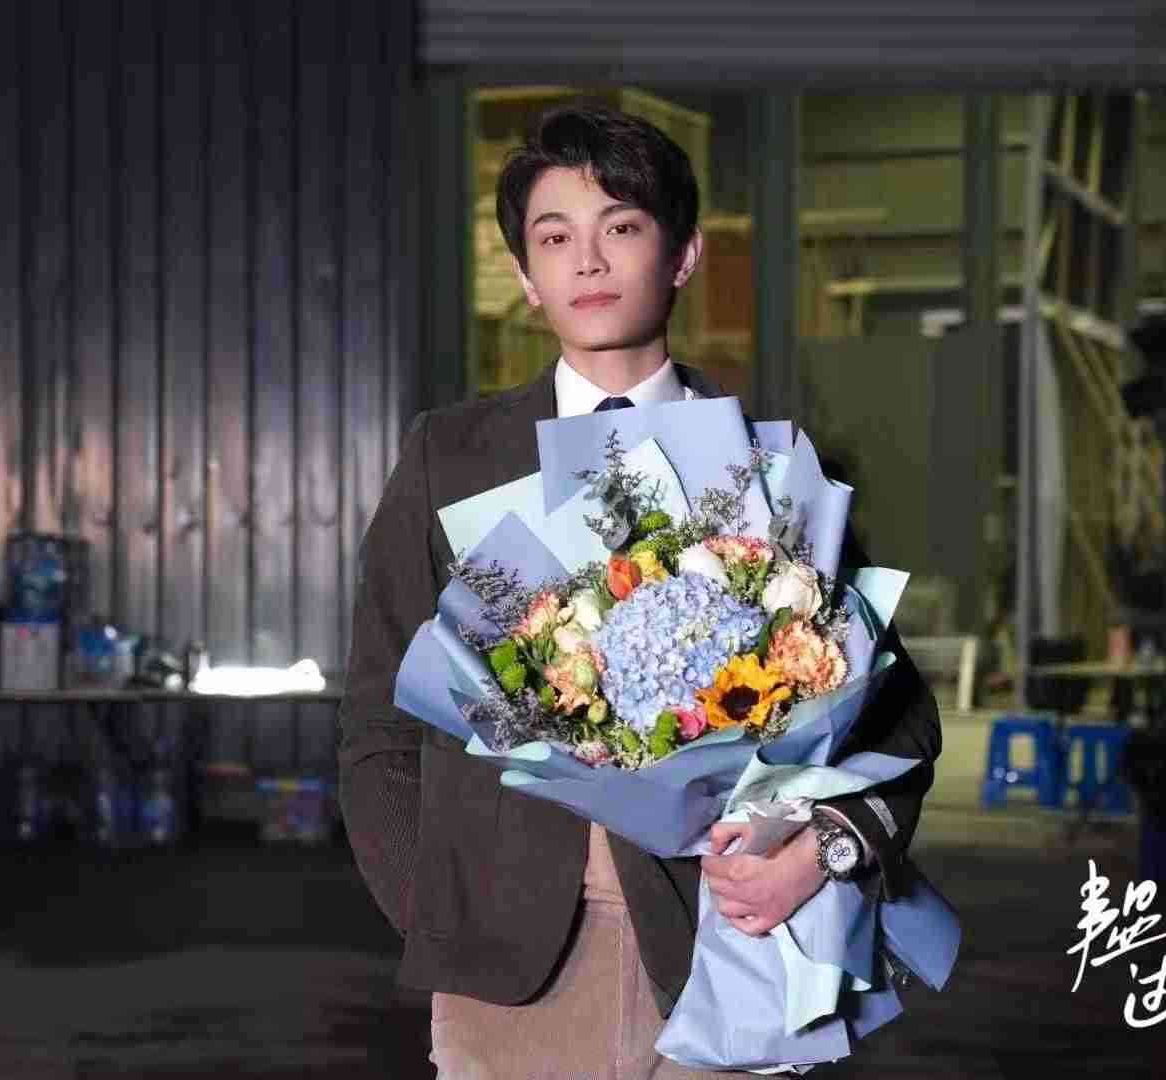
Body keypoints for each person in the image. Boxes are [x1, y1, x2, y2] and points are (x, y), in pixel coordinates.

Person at [337, 102, 942, 1079]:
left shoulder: (769, 466)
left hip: (728, 951)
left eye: (619, 227)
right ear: (526, 276)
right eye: (554, 238)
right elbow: (376, 719)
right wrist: (433, 906)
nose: (587, 262)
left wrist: (820, 852)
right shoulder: (451, 456)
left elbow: (898, 722)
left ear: (683, 254)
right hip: (508, 970)